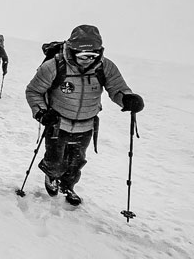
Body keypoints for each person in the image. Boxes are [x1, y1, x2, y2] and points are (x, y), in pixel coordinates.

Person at [25, 24, 144, 206]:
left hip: (87, 124)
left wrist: (127, 99)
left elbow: (117, 88)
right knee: (55, 159)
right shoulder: (53, 66)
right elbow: (34, 91)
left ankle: (68, 186)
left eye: (93, 56)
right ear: (72, 50)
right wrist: (41, 112)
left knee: (76, 161)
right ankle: (52, 176)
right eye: (83, 56)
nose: (88, 60)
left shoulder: (105, 67)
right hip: (58, 122)